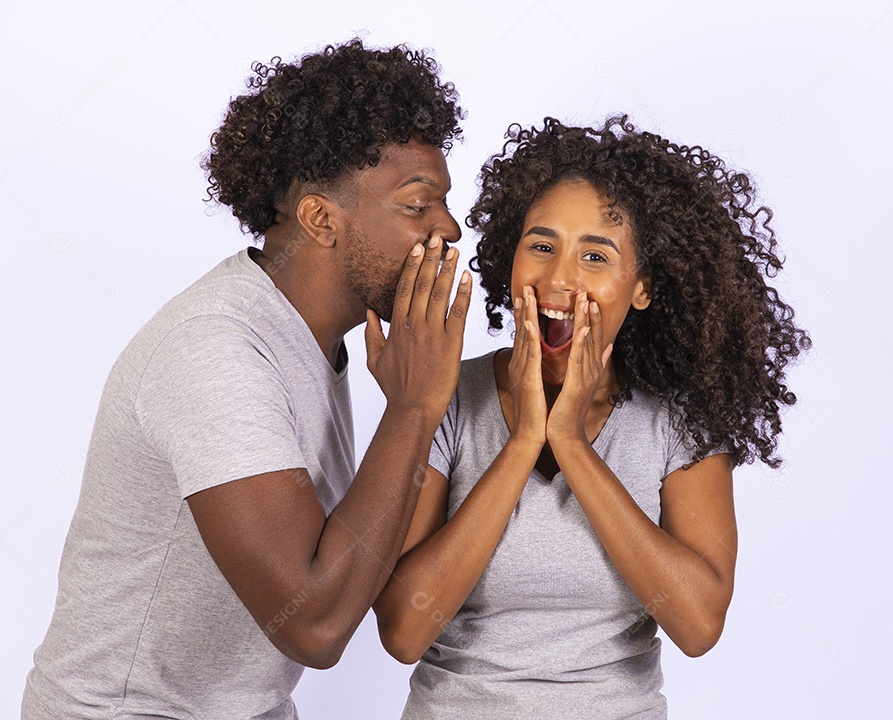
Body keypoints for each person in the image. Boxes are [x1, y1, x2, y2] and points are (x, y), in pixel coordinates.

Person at [22, 40, 472, 719]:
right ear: (321, 219)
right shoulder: (214, 351)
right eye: (419, 205)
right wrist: (412, 409)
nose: (449, 229)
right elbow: (314, 625)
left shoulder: (312, 336)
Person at [373, 116, 811, 718]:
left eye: (596, 256)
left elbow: (698, 624)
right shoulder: (447, 396)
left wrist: (572, 445)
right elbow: (402, 631)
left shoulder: (678, 421)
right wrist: (525, 439)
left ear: (643, 288)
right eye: (542, 246)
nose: (559, 279)